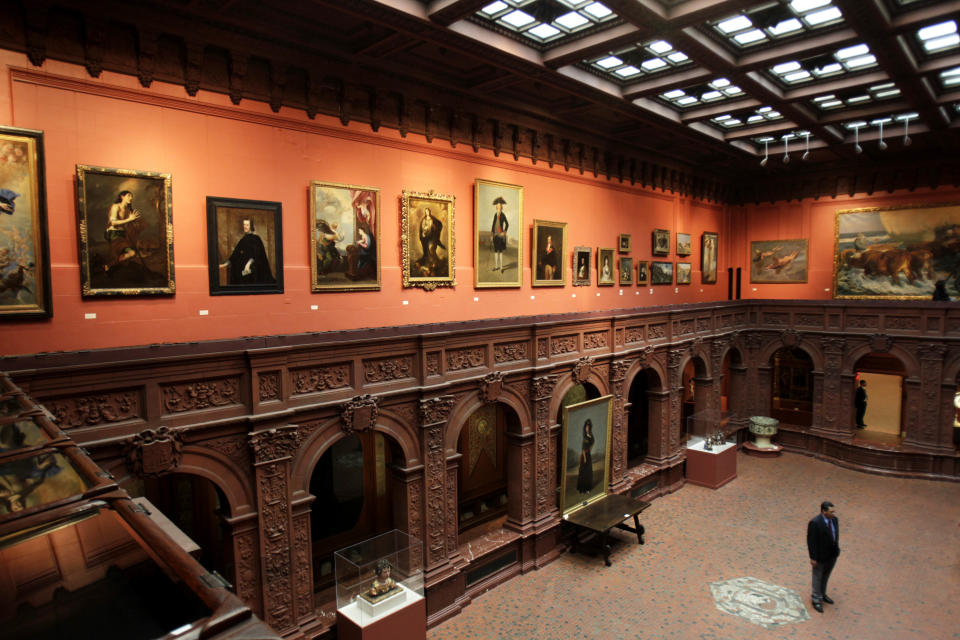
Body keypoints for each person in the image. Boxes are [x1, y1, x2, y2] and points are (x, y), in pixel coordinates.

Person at [807, 500, 840, 613]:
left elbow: (835, 536)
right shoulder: (815, 523)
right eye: (831, 511)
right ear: (824, 511)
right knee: (817, 577)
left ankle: (822, 594)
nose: (833, 513)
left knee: (826, 576)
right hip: (820, 556)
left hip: (832, 555)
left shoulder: (835, 520)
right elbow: (811, 542)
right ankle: (816, 599)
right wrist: (813, 557)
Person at [221, 218, 273, 284]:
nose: (245, 227)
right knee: (236, 270)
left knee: (247, 273)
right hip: (245, 266)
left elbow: (256, 255)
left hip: (254, 265)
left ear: (251, 226)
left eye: (247, 225)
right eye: (244, 224)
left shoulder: (256, 238)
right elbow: (236, 253)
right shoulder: (243, 239)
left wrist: (248, 264)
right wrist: (226, 263)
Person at [103, 190, 144, 271]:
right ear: (122, 196)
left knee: (131, 253)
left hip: (122, 234)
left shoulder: (128, 211)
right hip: (113, 233)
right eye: (129, 195)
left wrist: (134, 222)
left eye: (132, 196)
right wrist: (129, 219)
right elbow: (113, 222)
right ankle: (109, 265)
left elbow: (127, 225)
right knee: (131, 253)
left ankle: (109, 265)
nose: (131, 198)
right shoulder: (116, 206)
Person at [418, 207, 446, 275]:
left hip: (432, 237)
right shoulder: (423, 220)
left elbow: (438, 224)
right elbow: (422, 228)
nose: (426, 213)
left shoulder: (433, 219)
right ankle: (429, 264)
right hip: (425, 237)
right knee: (427, 251)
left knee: (431, 249)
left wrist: (434, 228)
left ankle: (435, 263)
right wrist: (423, 233)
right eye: (425, 211)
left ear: (429, 212)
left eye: (427, 211)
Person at [489, 196, 509, 273]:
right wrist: (491, 235)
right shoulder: (495, 214)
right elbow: (493, 225)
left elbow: (507, 224)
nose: (499, 207)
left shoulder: (503, 215)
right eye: (498, 206)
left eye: (500, 206)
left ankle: (501, 267)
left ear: (501, 207)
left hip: (500, 236)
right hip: (495, 235)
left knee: (500, 251)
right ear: (496, 207)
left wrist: (504, 232)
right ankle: (496, 266)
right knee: (495, 251)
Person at [576, 419, 595, 494]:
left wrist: (590, 450)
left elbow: (593, 442)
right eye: (586, 427)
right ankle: (582, 489)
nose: (587, 428)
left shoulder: (591, 436)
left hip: (588, 455)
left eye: (588, 427)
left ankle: (588, 488)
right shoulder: (585, 437)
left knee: (589, 472)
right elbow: (583, 449)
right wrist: (584, 458)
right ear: (585, 428)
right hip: (584, 456)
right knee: (583, 472)